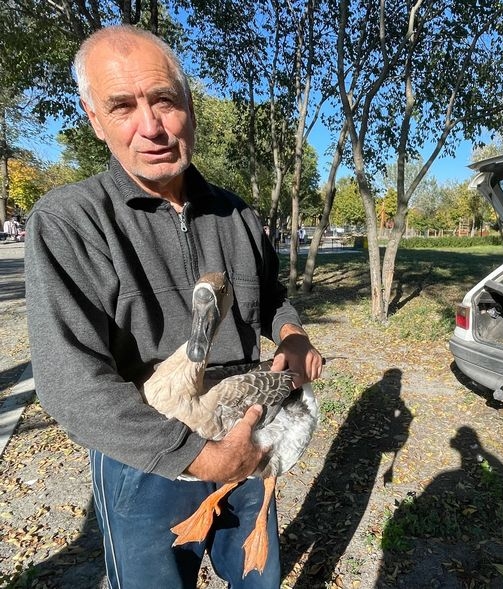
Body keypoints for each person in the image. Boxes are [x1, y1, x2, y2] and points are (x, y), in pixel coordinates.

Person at [24, 25, 323, 589]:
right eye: (122, 107)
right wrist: (196, 456)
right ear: (95, 119)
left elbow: (271, 295)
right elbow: (70, 382)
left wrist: (290, 332)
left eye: (164, 100)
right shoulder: (70, 222)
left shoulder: (237, 216)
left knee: (258, 579)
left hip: (245, 429)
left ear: (190, 105)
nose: (151, 127)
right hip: (147, 454)